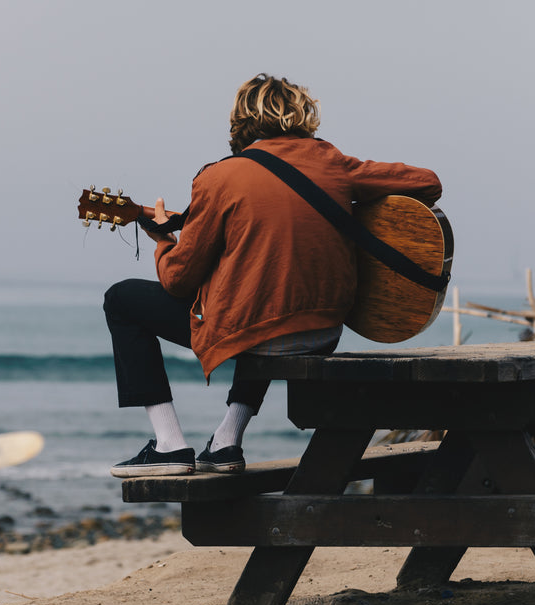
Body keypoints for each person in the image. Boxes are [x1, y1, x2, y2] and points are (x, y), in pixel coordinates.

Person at [104, 73, 443, 478]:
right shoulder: (332, 162)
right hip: (323, 333)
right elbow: (427, 182)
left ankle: (169, 444)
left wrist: (162, 239)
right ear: (303, 116)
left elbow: (178, 280)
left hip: (261, 333)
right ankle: (227, 440)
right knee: (264, 285)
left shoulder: (219, 177)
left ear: (240, 121)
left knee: (122, 299)